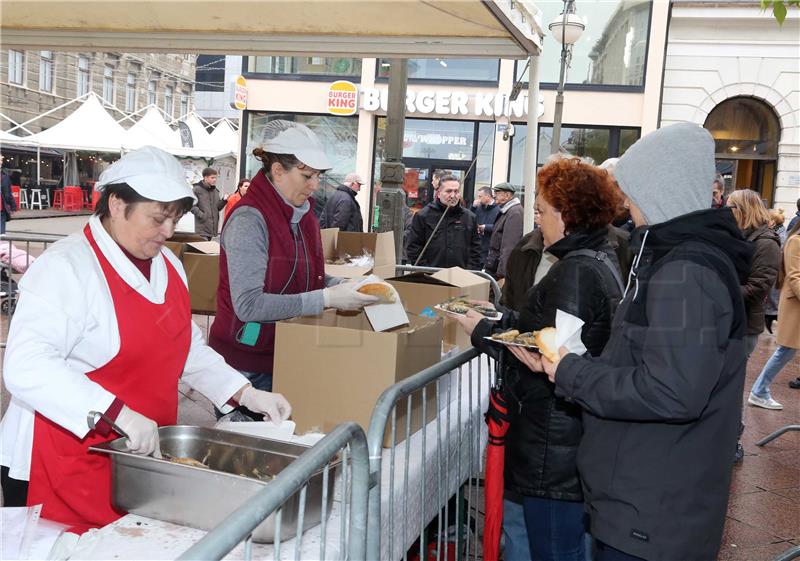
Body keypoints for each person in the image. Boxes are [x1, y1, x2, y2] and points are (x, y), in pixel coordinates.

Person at [0, 146, 290, 532]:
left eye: (174, 219)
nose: (168, 232)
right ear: (117, 205)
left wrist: (244, 393)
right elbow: (26, 365)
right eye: (157, 219)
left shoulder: (168, 265)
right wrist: (116, 412)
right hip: (63, 462)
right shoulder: (66, 267)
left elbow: (184, 348)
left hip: (138, 464)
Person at [508, 124, 753, 561]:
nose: (626, 204)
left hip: (653, 512)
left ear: (658, 189)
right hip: (647, 501)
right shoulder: (676, 260)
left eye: (632, 191)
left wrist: (569, 371)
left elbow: (670, 392)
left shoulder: (686, 273)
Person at [456, 156, 625, 561]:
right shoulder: (597, 258)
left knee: (554, 548)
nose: (538, 221)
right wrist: (500, 318)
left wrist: (480, 331)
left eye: (542, 212)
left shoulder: (577, 271)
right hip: (563, 440)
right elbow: (549, 329)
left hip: (554, 444)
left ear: (567, 215)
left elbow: (549, 353)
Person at [209, 121, 376, 418]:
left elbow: (310, 279)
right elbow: (248, 305)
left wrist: (349, 287)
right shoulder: (249, 219)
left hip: (288, 354)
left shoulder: (306, 215)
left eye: (317, 176)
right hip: (246, 365)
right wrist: (328, 299)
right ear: (277, 171)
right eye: (306, 175)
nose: (314, 185)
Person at [750, 219, 800, 402]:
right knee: (786, 350)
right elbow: (795, 276)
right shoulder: (796, 240)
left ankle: (759, 390)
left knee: (786, 351)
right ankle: (759, 390)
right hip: (796, 305)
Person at [405, 174, 481, 269]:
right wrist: (425, 270)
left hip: (461, 277)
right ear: (439, 192)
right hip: (430, 277)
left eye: (456, 191)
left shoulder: (469, 217)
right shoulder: (423, 216)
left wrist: (469, 271)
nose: (453, 195)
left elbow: (476, 249)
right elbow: (413, 247)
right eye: (448, 191)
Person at [485, 183, 523, 279]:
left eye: (497, 193)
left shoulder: (515, 212)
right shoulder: (509, 210)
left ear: (507, 195)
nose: (494, 195)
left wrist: (503, 273)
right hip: (495, 265)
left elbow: (509, 246)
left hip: (499, 269)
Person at [191, 167, 227, 240]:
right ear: (205, 178)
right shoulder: (197, 189)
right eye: (212, 177)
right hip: (202, 229)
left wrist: (224, 200)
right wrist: (202, 215)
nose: (215, 180)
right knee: (202, 250)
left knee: (207, 250)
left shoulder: (215, 191)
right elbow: (191, 206)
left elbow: (218, 208)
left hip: (212, 229)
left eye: (215, 178)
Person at [474, 186, 500, 267]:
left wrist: (485, 227)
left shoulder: (498, 209)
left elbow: (499, 227)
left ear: (488, 196)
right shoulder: (478, 208)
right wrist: (473, 207)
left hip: (490, 246)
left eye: (480, 196)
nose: (478, 199)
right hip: (479, 246)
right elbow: (470, 219)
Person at [1, 156, 16, 234]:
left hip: (2, 208)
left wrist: (13, 205)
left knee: (2, 234)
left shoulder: (4, 176)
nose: (1, 162)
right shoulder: (4, 176)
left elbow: (8, 192)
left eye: (1, 160)